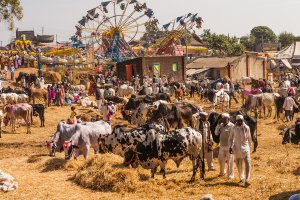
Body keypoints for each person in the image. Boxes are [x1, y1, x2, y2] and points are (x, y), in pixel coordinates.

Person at [228, 115, 252, 186]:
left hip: (245, 148)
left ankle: (247, 179)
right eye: (238, 121)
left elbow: (249, 139)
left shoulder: (246, 128)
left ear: (243, 120)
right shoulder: (233, 128)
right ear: (236, 121)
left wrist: (249, 148)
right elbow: (230, 139)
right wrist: (230, 147)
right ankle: (242, 178)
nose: (240, 122)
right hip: (237, 149)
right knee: (239, 165)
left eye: (241, 121)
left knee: (247, 164)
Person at [215, 113, 234, 179]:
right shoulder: (221, 125)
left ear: (228, 119)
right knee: (221, 159)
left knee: (230, 161)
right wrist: (218, 124)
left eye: (224, 119)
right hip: (222, 146)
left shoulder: (232, 126)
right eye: (222, 119)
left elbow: (234, 136)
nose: (223, 120)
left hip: (229, 146)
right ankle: (222, 172)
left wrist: (232, 146)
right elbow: (216, 133)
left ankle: (230, 175)